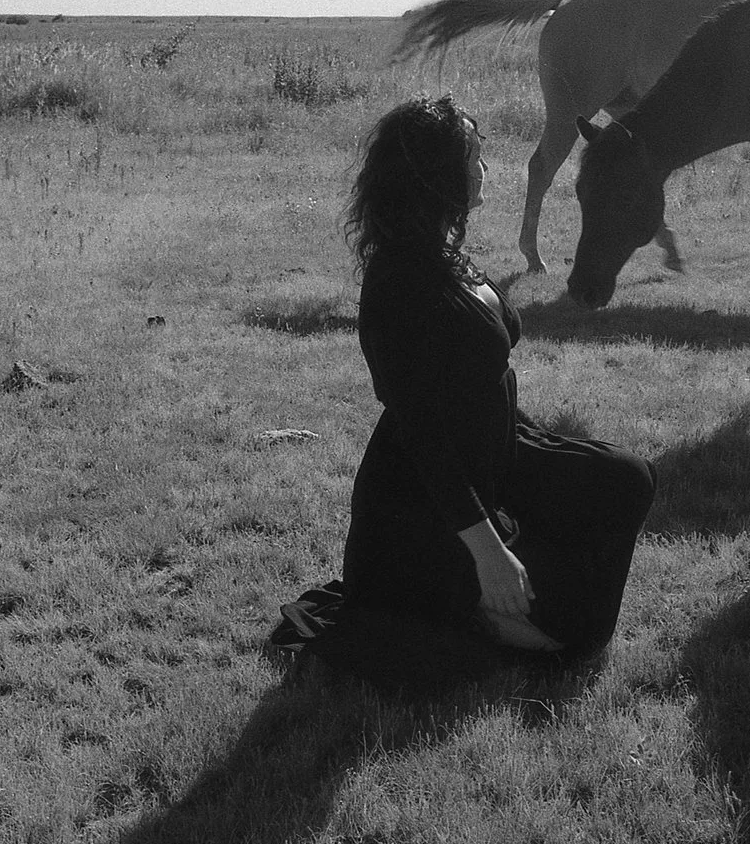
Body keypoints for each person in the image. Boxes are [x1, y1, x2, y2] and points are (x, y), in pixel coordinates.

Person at [278, 95, 655, 669]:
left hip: (498, 449)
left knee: (625, 478)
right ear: (437, 175)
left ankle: (515, 592)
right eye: (473, 157)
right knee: (571, 637)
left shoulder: (443, 251)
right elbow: (425, 439)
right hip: (427, 497)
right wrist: (489, 553)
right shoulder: (399, 284)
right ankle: (464, 605)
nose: (484, 168)